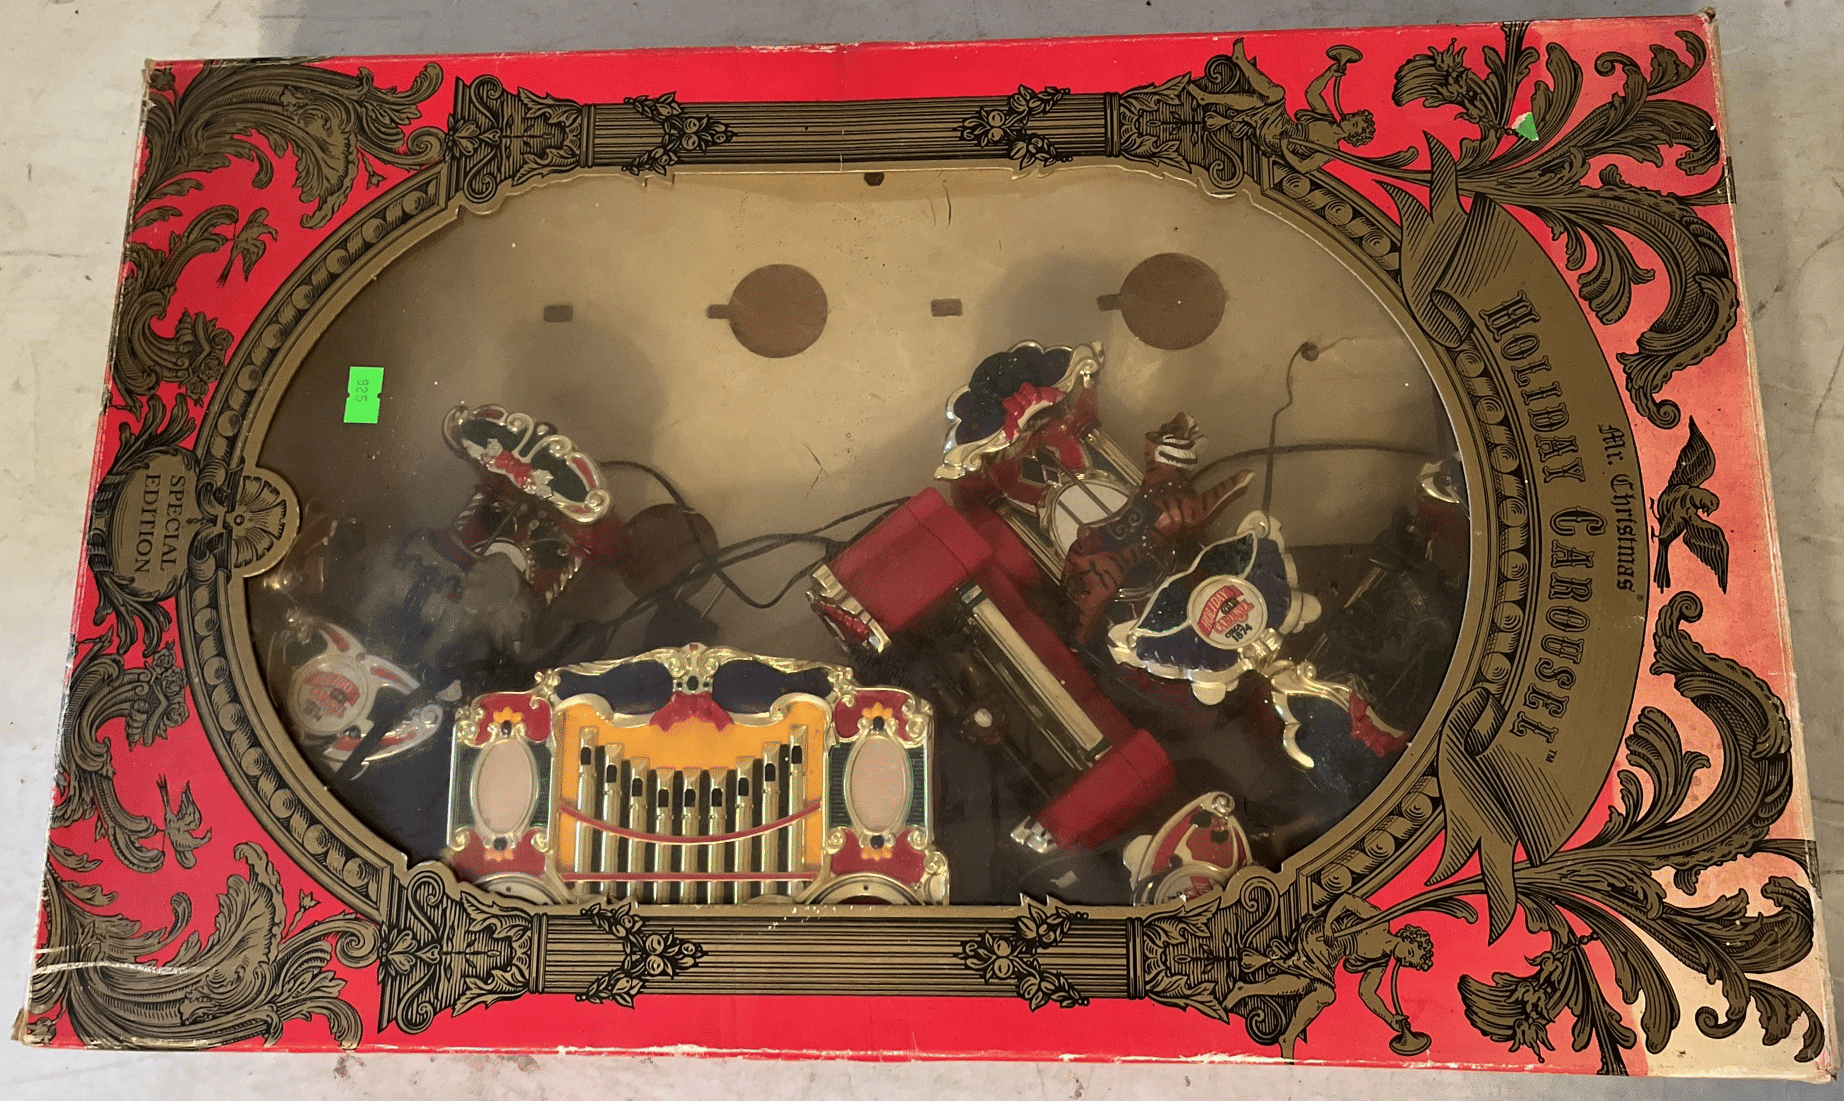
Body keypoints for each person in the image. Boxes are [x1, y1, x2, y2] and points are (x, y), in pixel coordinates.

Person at [1222, 893, 1434, 1060]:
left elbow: (1367, 993)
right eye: (1411, 952)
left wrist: (1390, 1019)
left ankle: (1247, 991)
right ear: (1408, 937)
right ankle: (1287, 1035)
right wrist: (1328, 924)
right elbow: (1347, 900)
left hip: (1328, 959)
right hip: (1319, 937)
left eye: (1409, 962)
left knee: (1310, 986)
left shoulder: (1380, 962)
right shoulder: (1380, 922)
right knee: (1324, 993)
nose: (1405, 959)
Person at [1186, 39, 1376, 175]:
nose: (1349, 118)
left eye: (1354, 124)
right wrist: (1329, 73)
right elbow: (1312, 93)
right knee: (1259, 101)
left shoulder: (1331, 149)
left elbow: (1304, 167)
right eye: (1353, 116)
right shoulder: (1327, 119)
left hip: (1277, 138)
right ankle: (1206, 97)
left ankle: (1239, 62)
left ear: (1353, 135)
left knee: (1276, 94)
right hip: (1283, 123)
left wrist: (1285, 148)